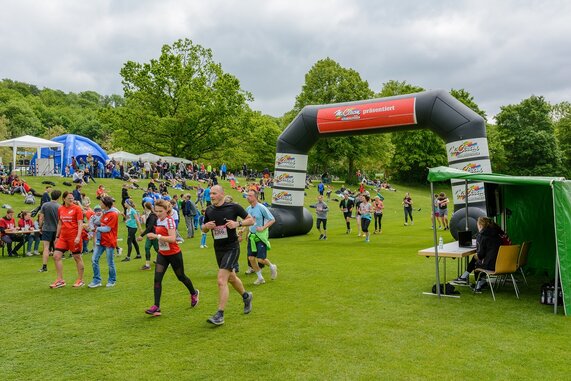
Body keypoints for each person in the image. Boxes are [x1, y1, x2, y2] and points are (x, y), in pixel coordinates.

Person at [202, 185, 255, 326]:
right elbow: (203, 229)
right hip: (218, 248)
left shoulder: (233, 207)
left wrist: (237, 223)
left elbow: (251, 220)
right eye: (210, 193)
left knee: (221, 280)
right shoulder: (209, 210)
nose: (211, 196)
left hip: (232, 247)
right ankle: (246, 296)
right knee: (231, 277)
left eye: (214, 193)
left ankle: (220, 314)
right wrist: (206, 226)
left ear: (221, 194)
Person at [143, 199, 199, 316]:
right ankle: (156, 307)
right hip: (162, 254)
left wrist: (157, 236)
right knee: (157, 279)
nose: (158, 214)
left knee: (181, 277)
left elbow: (173, 239)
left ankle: (194, 293)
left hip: (174, 254)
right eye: (156, 211)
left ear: (166, 210)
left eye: (160, 211)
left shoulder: (169, 221)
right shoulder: (158, 220)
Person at [451, 217, 506, 292]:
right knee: (477, 259)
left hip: (491, 265)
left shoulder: (482, 235)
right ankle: (474, 280)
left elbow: (480, 255)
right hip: (502, 263)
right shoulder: (498, 233)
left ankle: (475, 284)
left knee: (476, 261)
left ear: (480, 225)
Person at [50, 191, 85, 288]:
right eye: (69, 198)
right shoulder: (60, 209)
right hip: (63, 237)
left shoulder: (77, 209)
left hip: (73, 237)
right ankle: (60, 280)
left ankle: (80, 280)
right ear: (64, 199)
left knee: (77, 257)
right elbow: (60, 223)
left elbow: (80, 223)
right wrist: (57, 237)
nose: (71, 200)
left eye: (72, 198)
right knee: (56, 256)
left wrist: (78, 236)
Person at [244, 189, 277, 285]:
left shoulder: (262, 208)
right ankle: (260, 278)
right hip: (252, 236)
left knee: (260, 259)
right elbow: (248, 222)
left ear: (255, 197)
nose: (248, 197)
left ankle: (272, 266)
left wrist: (263, 227)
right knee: (250, 258)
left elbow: (272, 219)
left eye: (250, 195)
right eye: (247, 195)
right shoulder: (248, 209)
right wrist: (244, 232)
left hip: (261, 236)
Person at [88, 196, 118, 288]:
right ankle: (97, 280)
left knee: (110, 262)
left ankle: (112, 280)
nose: (100, 204)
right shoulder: (104, 213)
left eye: (101, 203)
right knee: (94, 259)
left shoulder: (113, 214)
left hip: (109, 241)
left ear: (106, 204)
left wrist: (97, 229)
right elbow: (101, 223)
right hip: (100, 241)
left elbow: (108, 228)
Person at [38, 190, 61, 272]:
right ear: (59, 197)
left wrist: (40, 227)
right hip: (56, 229)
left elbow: (41, 218)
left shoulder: (45, 205)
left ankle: (44, 266)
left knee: (46, 248)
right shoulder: (59, 207)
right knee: (56, 248)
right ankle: (57, 266)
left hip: (47, 229)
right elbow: (60, 220)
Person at [137, 202, 159, 270]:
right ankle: (147, 265)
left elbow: (150, 227)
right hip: (149, 235)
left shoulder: (152, 215)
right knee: (147, 248)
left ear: (146, 207)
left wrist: (141, 235)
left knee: (157, 249)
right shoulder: (148, 214)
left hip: (154, 235)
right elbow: (149, 227)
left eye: (144, 206)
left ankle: (167, 261)